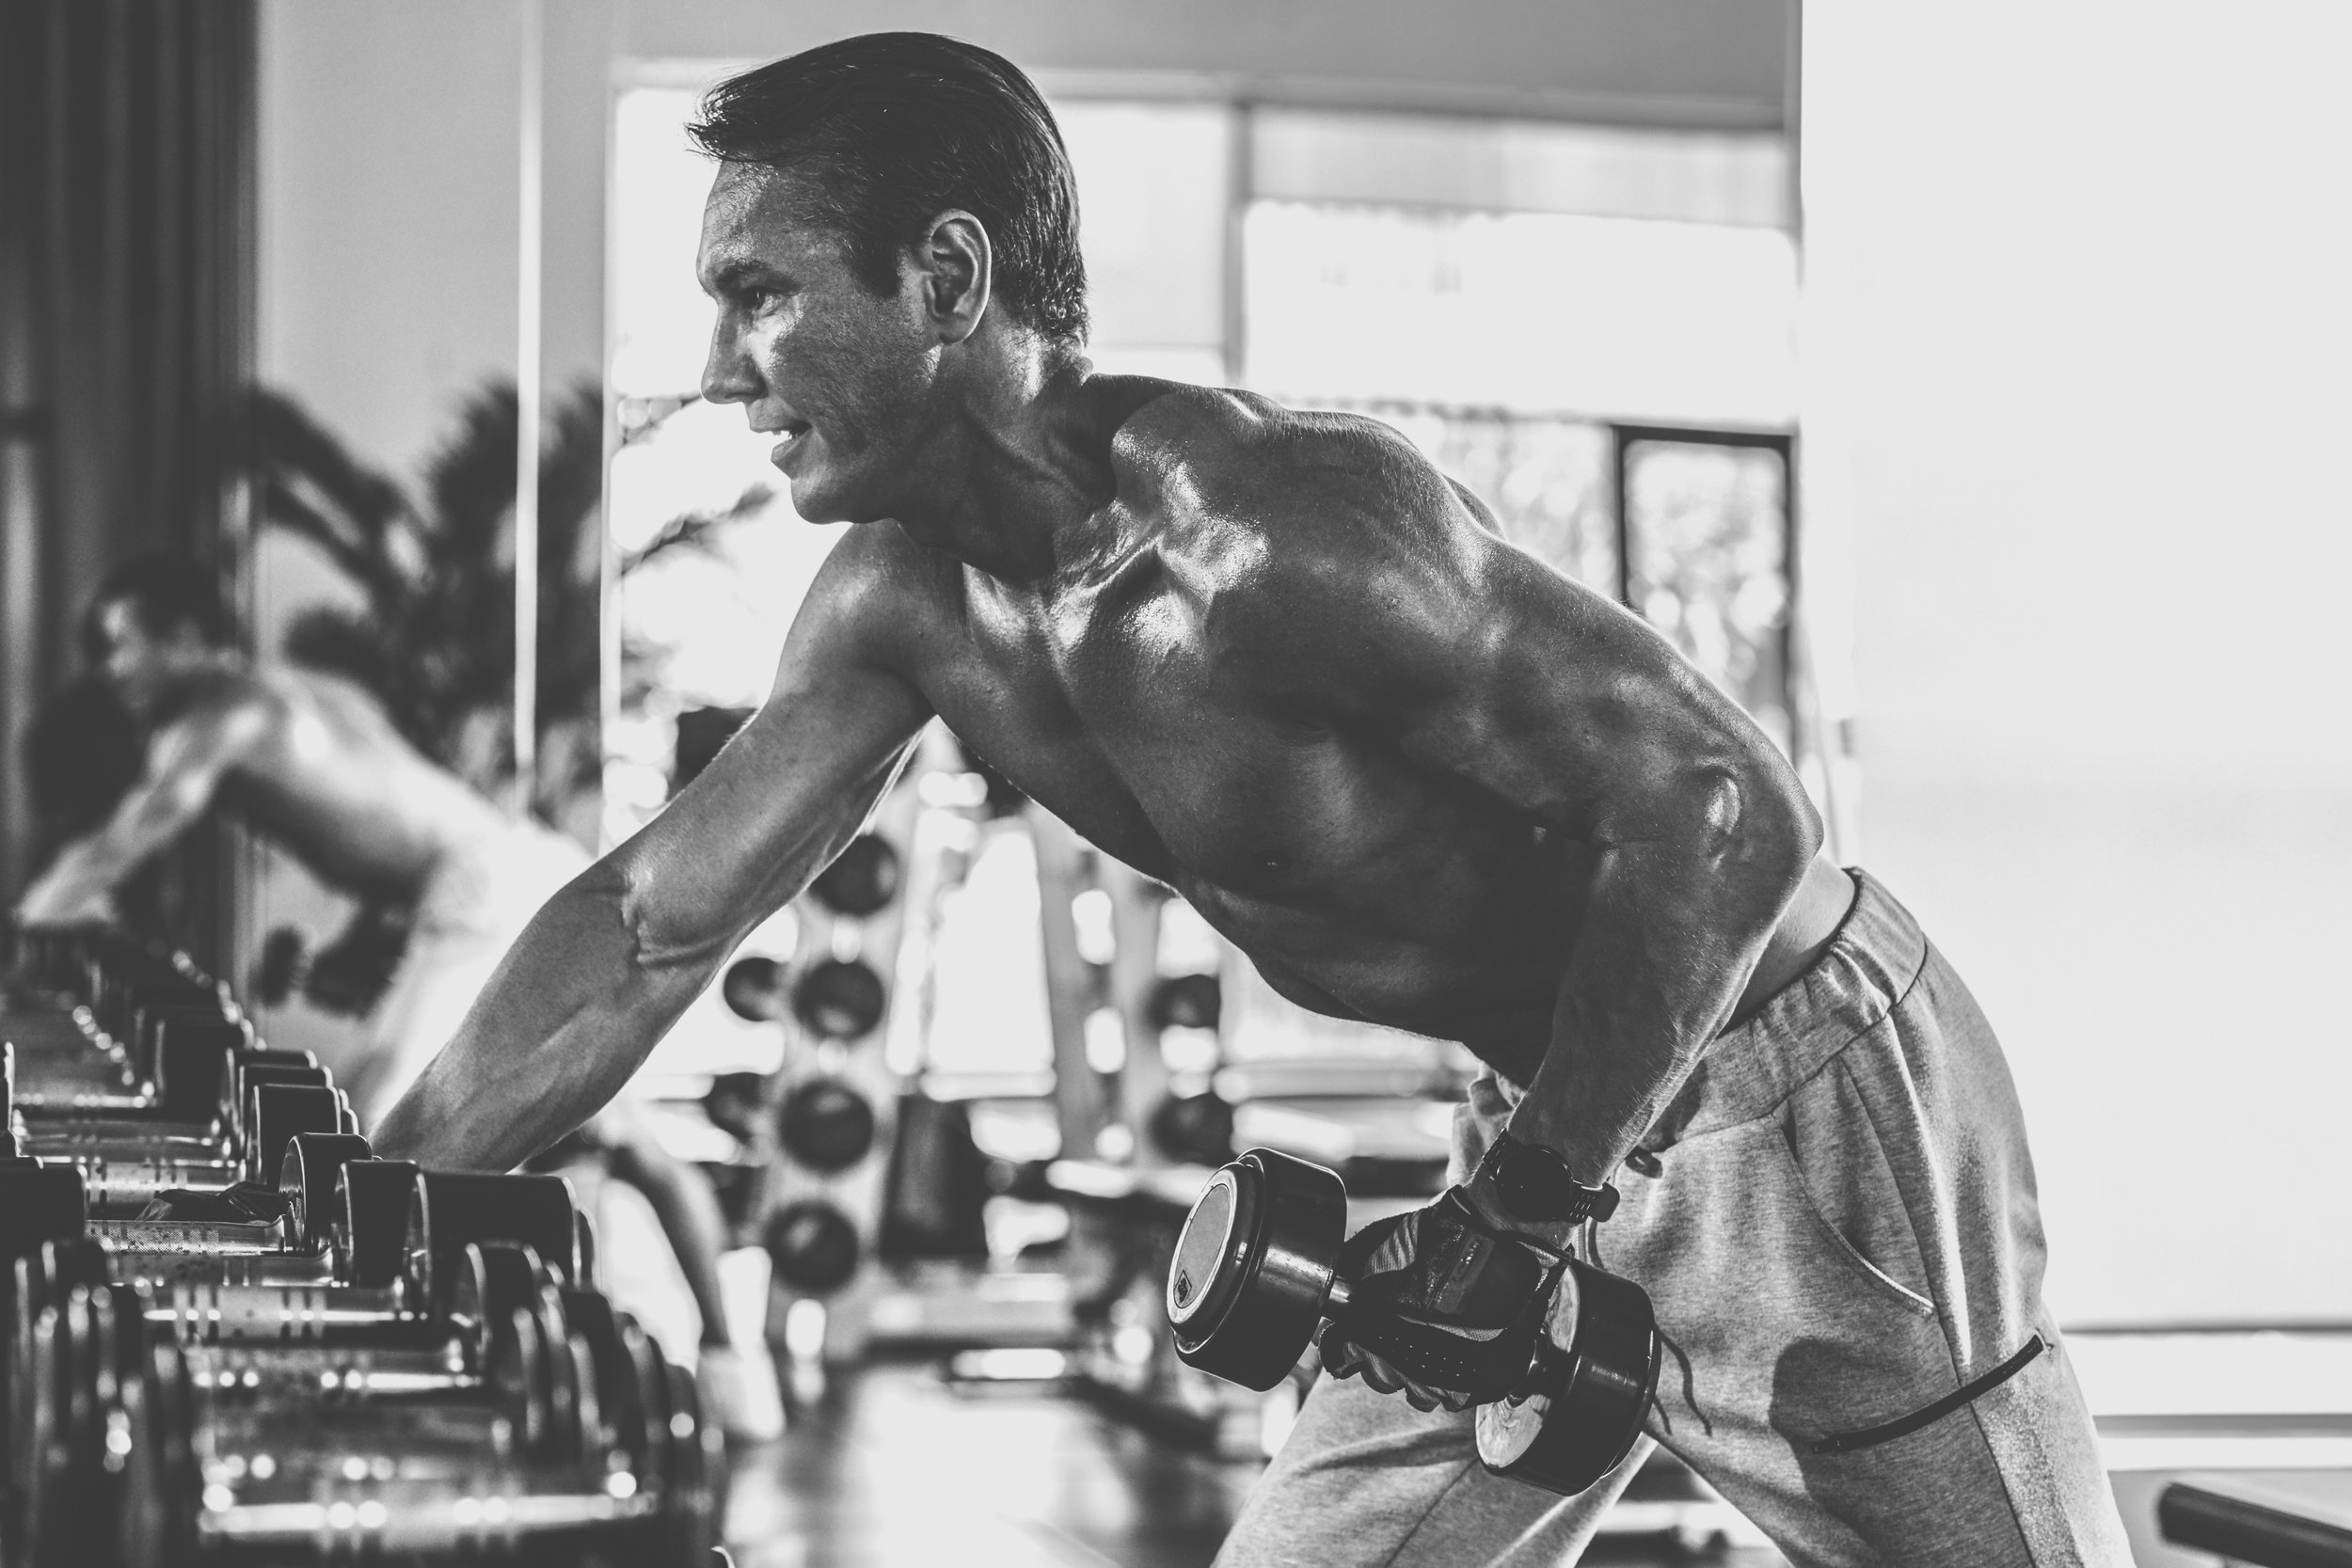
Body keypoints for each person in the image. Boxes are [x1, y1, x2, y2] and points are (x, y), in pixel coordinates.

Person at [374, 33, 2132, 1565]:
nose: (715, 365)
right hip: (1540, 1132)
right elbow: (643, 924)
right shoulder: (902, 612)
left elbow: (1727, 809)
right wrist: (379, 1204)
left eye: (760, 293)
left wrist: (1521, 1209)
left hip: (1792, 1093)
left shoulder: (1267, 529)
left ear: (947, 275)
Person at [14, 558, 783, 1442]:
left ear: (187, 637)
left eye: (124, 643)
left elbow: (130, 835)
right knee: (615, 1141)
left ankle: (422, 1423)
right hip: (501, 873)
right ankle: (735, 1374)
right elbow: (397, 826)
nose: (113, 670)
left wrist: (26, 923)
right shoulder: (310, 690)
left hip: (484, 895)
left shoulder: (222, 713)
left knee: (381, 1159)